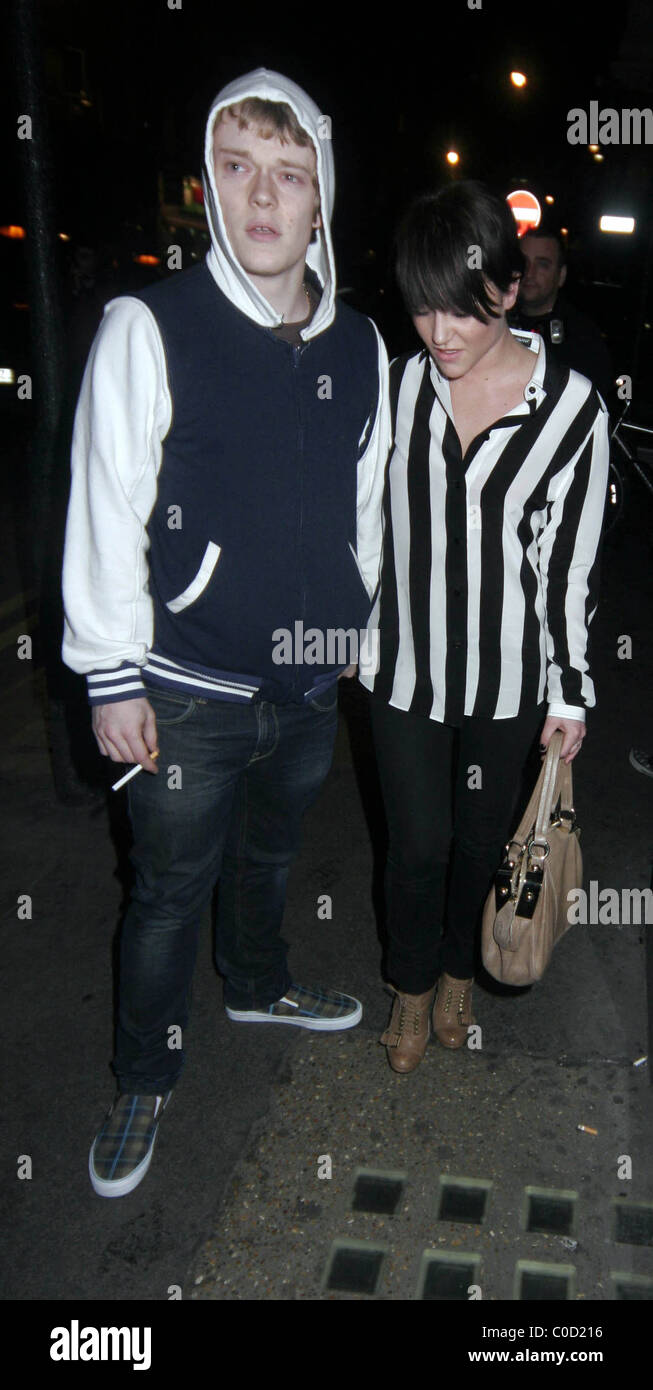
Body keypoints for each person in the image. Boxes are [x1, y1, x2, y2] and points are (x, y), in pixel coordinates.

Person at [62, 68, 390, 1195]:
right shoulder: (148, 326)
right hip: (183, 688)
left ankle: (256, 982)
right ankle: (144, 1071)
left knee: (268, 856)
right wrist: (111, 678)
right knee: (165, 892)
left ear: (318, 200)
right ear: (209, 186)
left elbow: (366, 503)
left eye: (288, 175)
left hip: (304, 691)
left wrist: (359, 621)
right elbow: (105, 505)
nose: (263, 197)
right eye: (239, 168)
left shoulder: (361, 348)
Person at [359, 182, 609, 1074]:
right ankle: (409, 989)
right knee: (414, 846)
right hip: (404, 670)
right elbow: (363, 525)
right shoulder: (394, 391)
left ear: (506, 291)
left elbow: (570, 561)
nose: (439, 332)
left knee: (478, 845)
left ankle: (459, 980)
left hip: (507, 677)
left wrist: (569, 690)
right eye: (422, 308)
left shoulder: (573, 410)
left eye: (461, 308)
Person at [511, 227, 614, 404]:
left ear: (561, 275)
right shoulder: (494, 325)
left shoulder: (582, 339)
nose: (529, 272)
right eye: (523, 262)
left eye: (542, 264)